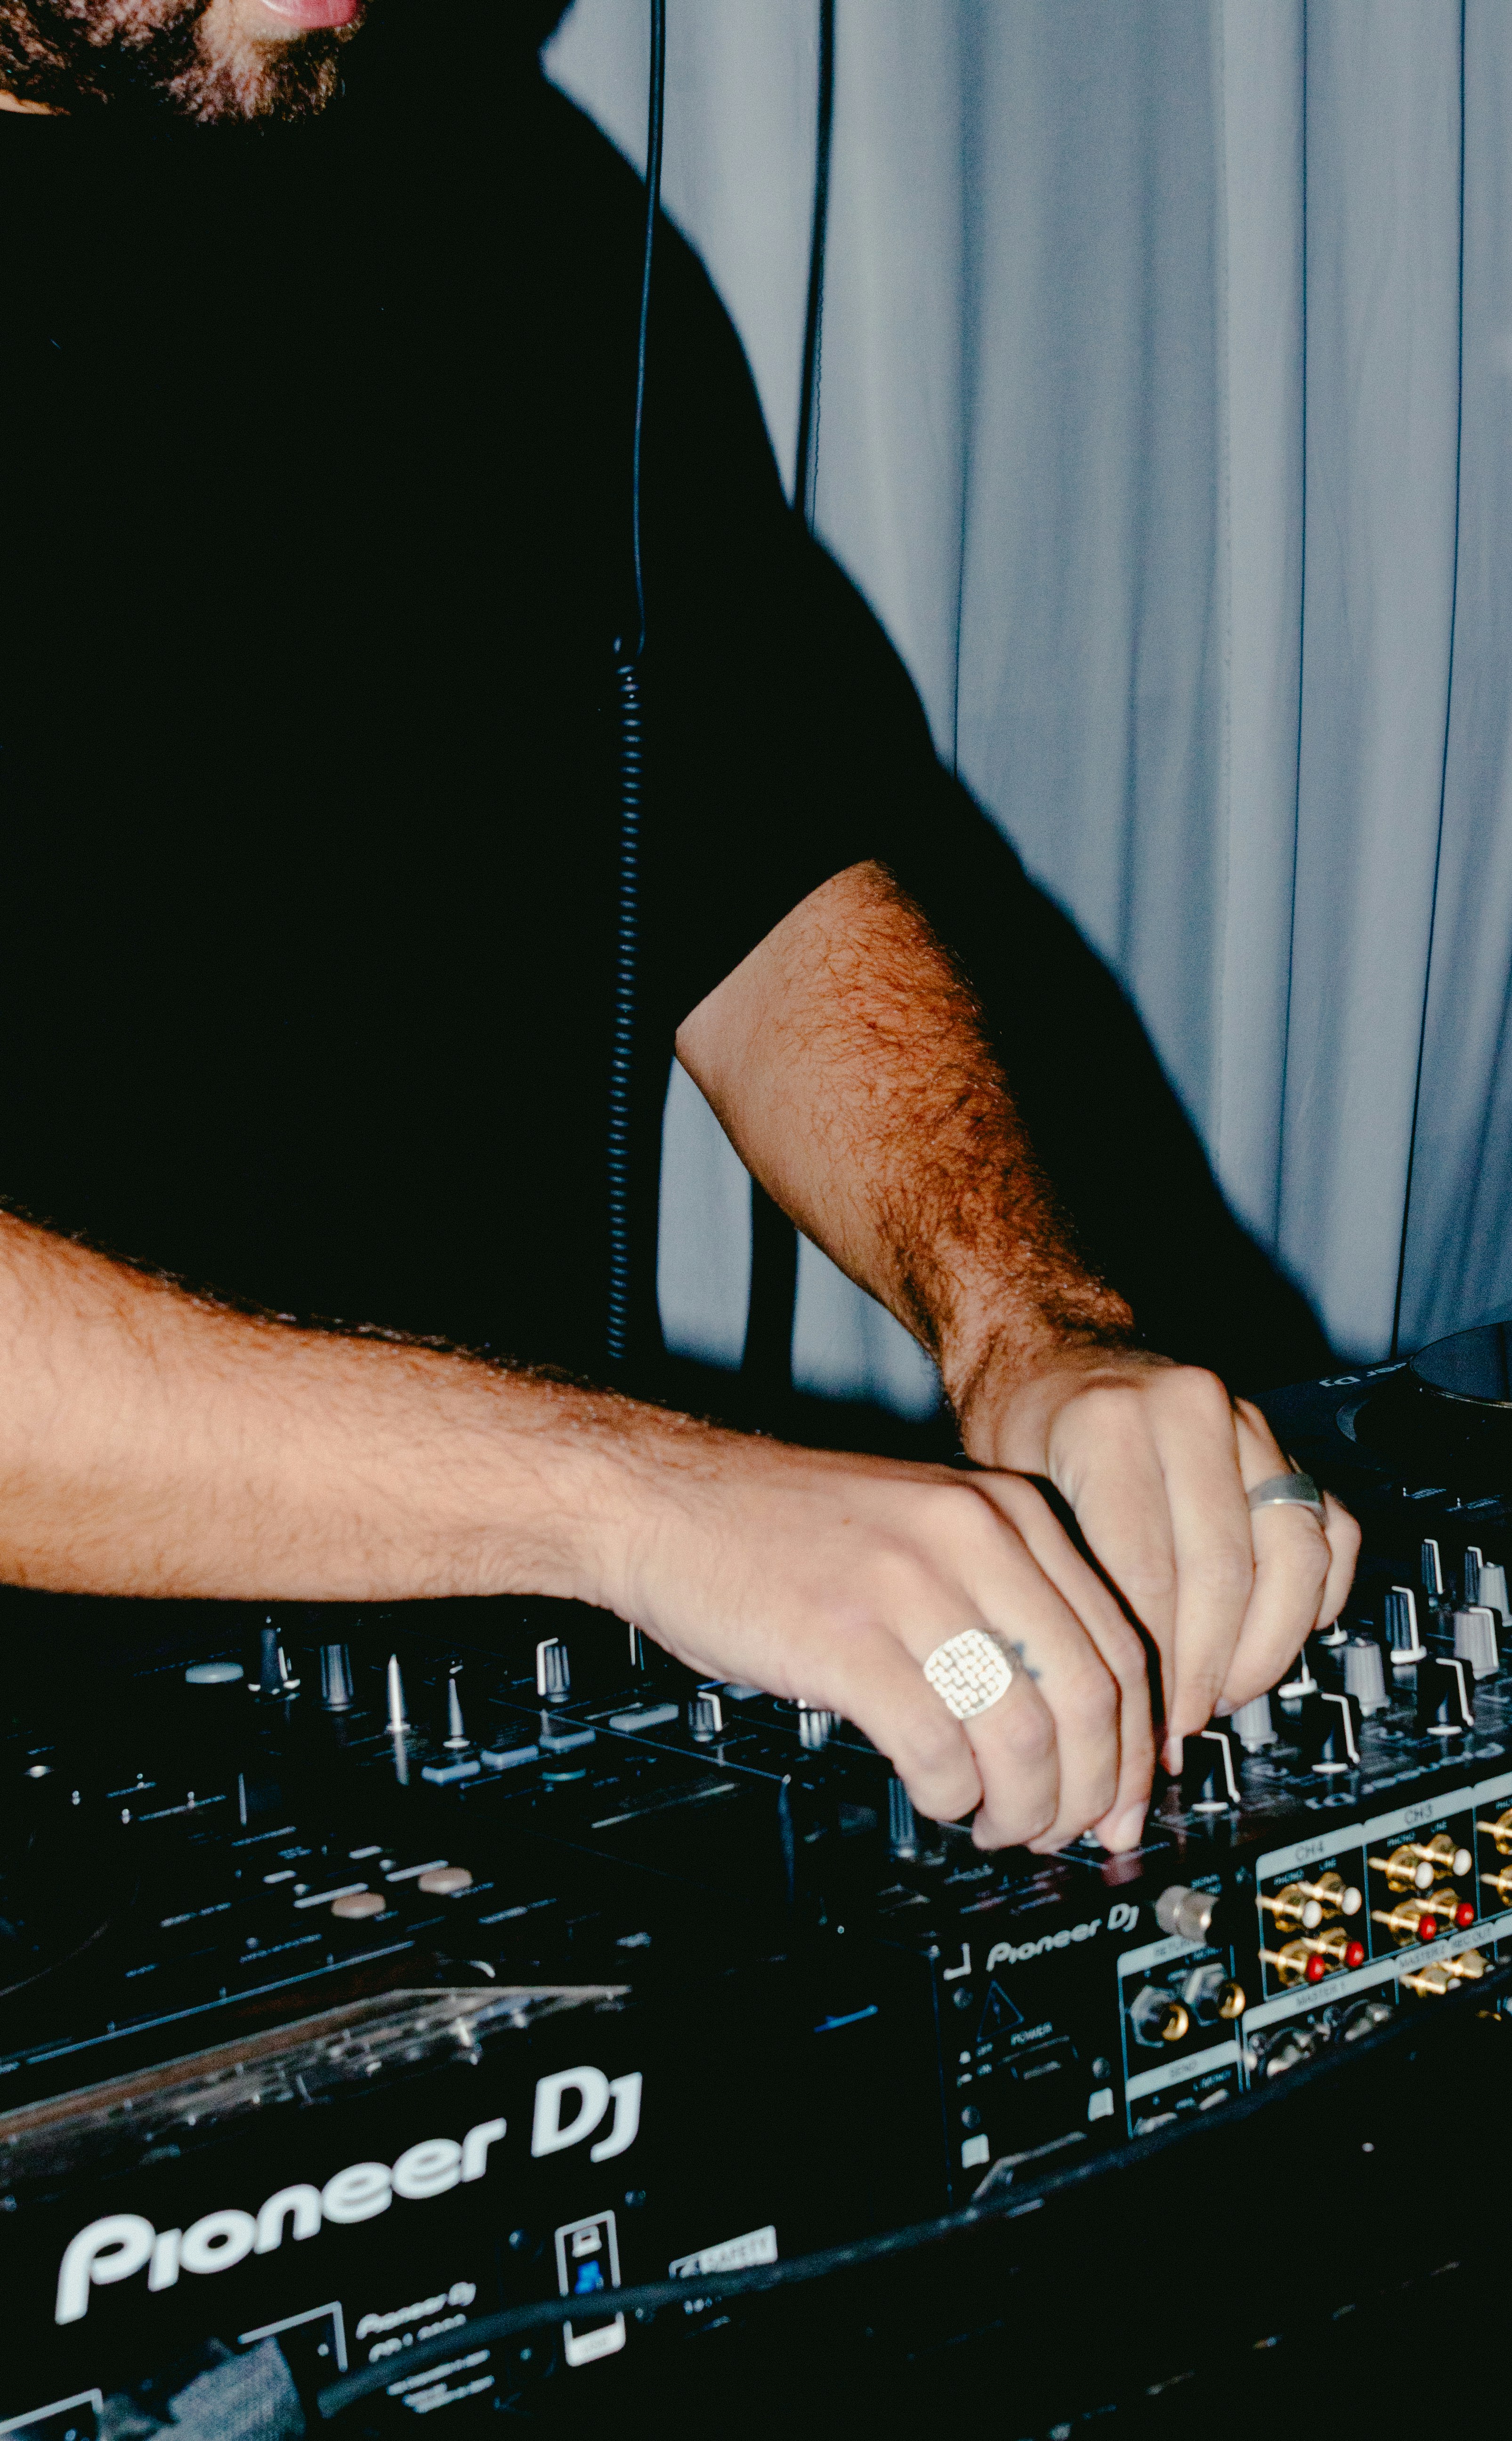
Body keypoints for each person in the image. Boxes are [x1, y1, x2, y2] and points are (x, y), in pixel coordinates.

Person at [0, 0, 1358, 1864]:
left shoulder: (496, 203)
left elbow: (768, 869)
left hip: (497, 1772)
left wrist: (1024, 1319)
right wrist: (630, 1498)